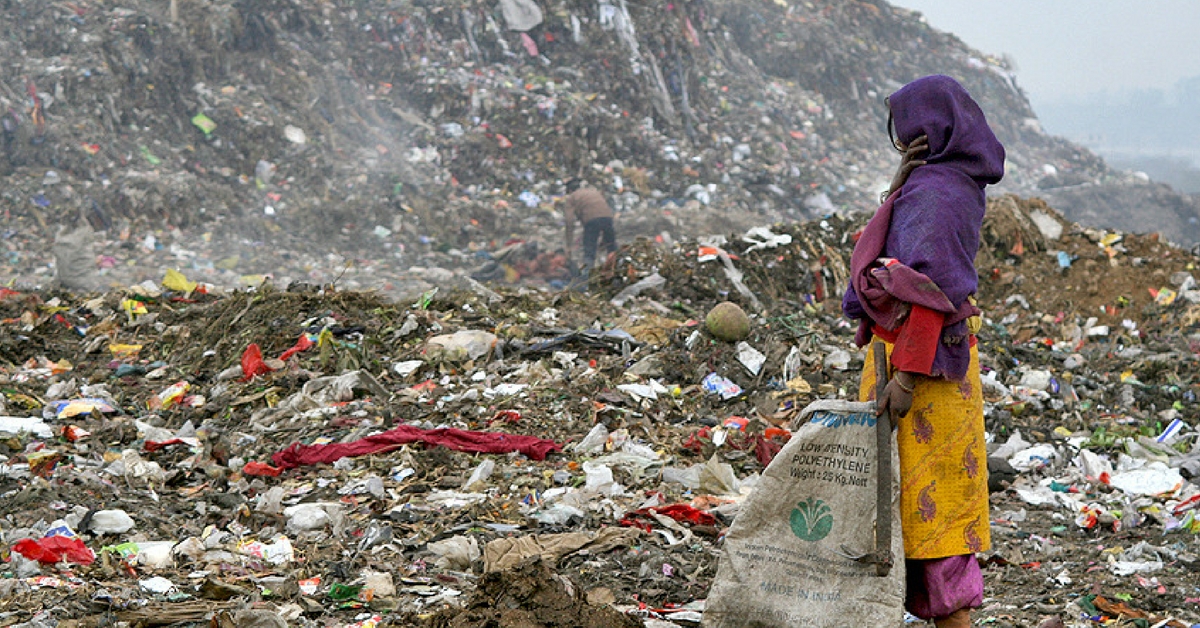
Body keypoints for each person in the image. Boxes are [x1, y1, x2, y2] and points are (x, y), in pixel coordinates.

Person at [842, 75, 1005, 628]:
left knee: (929, 516)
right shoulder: (938, 183)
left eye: (905, 128)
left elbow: (929, 294)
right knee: (904, 510)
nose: (900, 139)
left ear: (927, 126)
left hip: (924, 377)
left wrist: (905, 380)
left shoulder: (938, 195)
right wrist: (896, 183)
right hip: (917, 367)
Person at [559, 180, 616, 269]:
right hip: (608, 218)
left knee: (589, 252)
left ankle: (588, 276)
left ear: (569, 191)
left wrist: (569, 246)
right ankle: (617, 268)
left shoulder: (571, 198)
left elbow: (569, 222)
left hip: (591, 221)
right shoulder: (593, 192)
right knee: (611, 247)